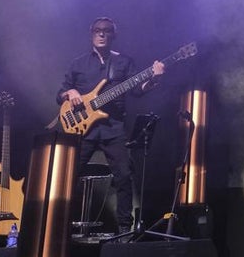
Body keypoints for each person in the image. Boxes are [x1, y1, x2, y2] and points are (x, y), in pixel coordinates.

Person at [56, 17, 164, 234]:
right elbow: (60, 94)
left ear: (114, 35)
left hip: (113, 127)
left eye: (106, 31)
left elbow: (137, 89)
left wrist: (153, 78)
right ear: (91, 34)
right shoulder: (78, 63)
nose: (102, 34)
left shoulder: (123, 62)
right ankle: (59, 224)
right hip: (81, 129)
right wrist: (71, 92)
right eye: (97, 30)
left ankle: (125, 228)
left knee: (124, 175)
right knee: (68, 176)